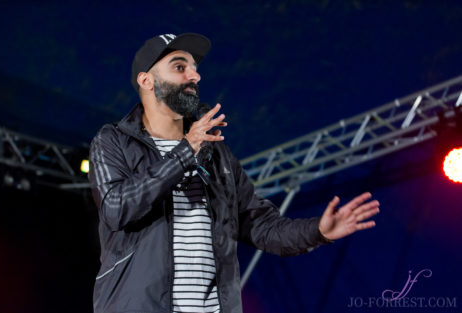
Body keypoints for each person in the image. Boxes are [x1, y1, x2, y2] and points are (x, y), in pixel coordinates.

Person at [88, 32, 380, 313]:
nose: (195, 76)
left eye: (194, 68)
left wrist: (318, 232)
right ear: (146, 80)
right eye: (180, 66)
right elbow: (116, 209)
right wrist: (185, 151)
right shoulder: (113, 141)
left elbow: (262, 225)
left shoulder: (216, 154)